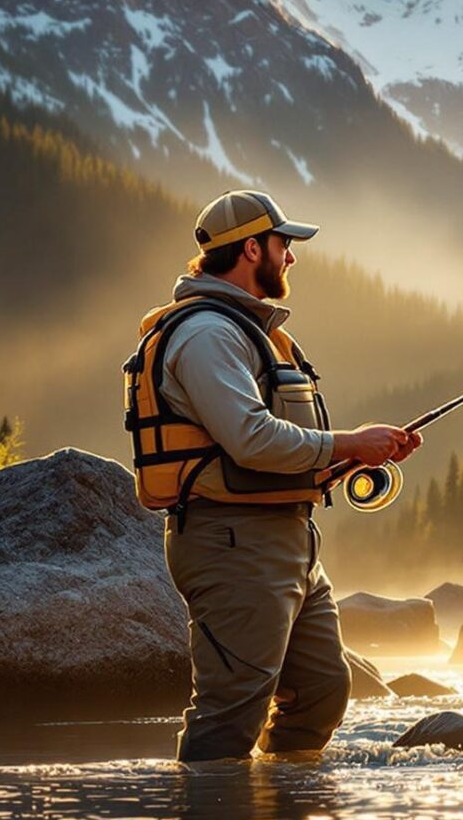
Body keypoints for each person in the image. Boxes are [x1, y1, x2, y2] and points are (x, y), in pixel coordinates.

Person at [123, 189, 419, 761]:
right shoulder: (207, 334)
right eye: (284, 244)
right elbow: (250, 439)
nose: (291, 257)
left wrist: (358, 456)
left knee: (322, 692)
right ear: (252, 247)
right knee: (231, 708)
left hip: (287, 541)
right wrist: (350, 440)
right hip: (231, 543)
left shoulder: (249, 330)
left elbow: (270, 451)